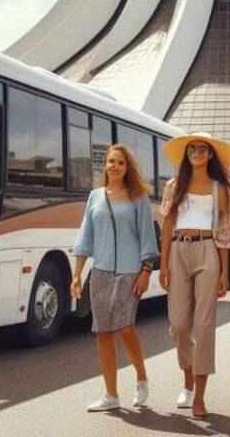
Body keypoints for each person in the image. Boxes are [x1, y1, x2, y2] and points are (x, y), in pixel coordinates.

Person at [71, 143, 159, 412]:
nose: (115, 166)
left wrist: (146, 271)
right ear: (105, 166)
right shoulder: (95, 196)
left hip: (131, 272)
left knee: (125, 328)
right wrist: (77, 275)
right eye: (111, 162)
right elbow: (85, 237)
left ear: (127, 167)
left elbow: (147, 236)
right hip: (101, 272)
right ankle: (111, 394)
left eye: (120, 162)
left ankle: (142, 377)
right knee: (103, 332)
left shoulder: (138, 197)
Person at [159, 132, 230, 419]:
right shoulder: (173, 186)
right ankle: (188, 377)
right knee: (179, 325)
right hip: (178, 251)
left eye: (202, 149)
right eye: (192, 149)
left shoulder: (220, 188)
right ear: (186, 154)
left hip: (208, 252)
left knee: (204, 327)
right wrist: (163, 264)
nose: (197, 153)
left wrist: (225, 271)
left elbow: (225, 233)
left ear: (211, 155)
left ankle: (199, 397)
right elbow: (167, 227)